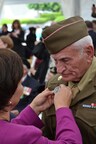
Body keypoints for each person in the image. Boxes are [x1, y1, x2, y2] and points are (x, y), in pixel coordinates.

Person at [0, 49, 82, 144]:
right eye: (19, 82)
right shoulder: (26, 136)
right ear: (9, 96)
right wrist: (62, 108)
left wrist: (33, 108)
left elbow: (8, 131)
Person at [42, 16, 96, 144]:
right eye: (55, 61)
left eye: (65, 60)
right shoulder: (54, 84)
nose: (60, 69)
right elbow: (46, 133)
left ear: (88, 52)